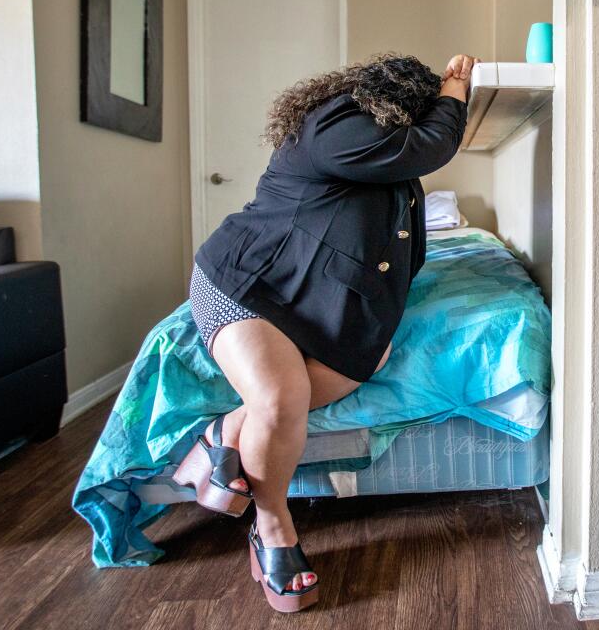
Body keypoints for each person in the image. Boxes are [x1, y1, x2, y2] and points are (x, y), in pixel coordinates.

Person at [175, 52, 476, 612]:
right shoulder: (333, 122)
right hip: (247, 284)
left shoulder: (389, 170)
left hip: (313, 304)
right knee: (281, 395)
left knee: (347, 372)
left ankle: (221, 436)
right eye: (418, 109)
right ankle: (272, 527)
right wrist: (455, 88)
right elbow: (432, 145)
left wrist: (374, 329)